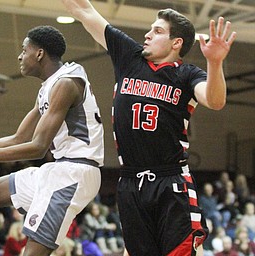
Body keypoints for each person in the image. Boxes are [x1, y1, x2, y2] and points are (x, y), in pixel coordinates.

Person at [61, 1, 237, 255]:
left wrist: (215, 63)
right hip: (131, 181)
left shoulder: (187, 74)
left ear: (176, 43)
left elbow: (216, 101)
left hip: (170, 181)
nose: (147, 34)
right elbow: (85, 11)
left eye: (157, 31)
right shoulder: (129, 57)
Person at [0, 25, 104, 256]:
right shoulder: (48, 87)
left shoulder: (67, 84)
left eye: (24, 49)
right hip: (58, 170)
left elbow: (38, 147)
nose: (20, 55)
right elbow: (19, 137)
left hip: (74, 173)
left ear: (39, 53)